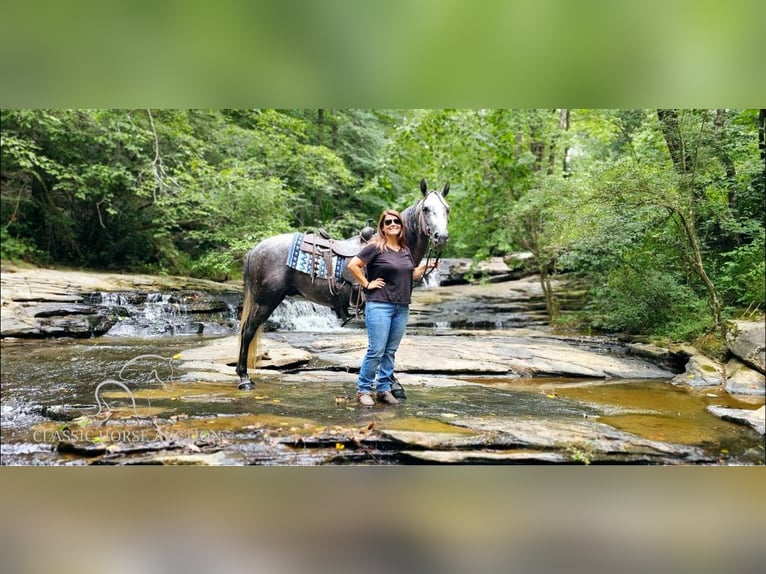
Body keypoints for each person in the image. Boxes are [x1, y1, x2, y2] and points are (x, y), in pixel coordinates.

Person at [345, 209, 437, 407]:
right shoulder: (375, 246)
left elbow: (410, 274)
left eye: (396, 221)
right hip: (379, 305)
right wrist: (367, 284)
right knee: (376, 350)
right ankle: (363, 390)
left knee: (390, 351)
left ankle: (384, 389)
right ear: (383, 227)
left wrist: (426, 267)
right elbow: (353, 265)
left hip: (401, 306)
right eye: (388, 222)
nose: (393, 224)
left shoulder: (405, 250)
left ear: (401, 226)